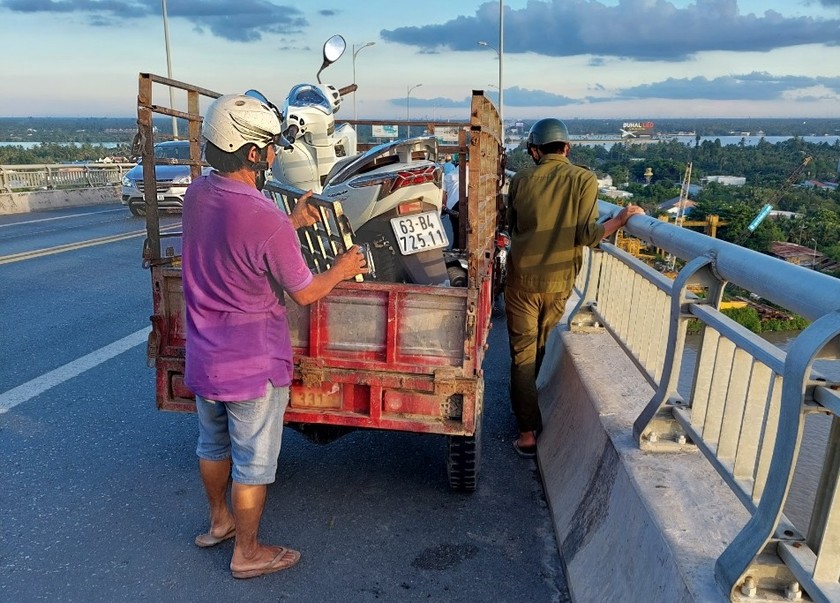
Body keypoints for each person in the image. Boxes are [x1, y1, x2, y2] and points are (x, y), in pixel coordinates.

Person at [182, 94, 368, 579]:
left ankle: (218, 522)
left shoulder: (197, 195)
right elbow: (305, 293)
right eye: (267, 147)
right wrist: (343, 268)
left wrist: (289, 223)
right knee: (252, 464)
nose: (271, 155)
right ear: (250, 153)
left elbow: (235, 244)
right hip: (251, 364)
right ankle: (247, 552)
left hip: (205, 356)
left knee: (211, 445)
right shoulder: (263, 215)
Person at [505, 117, 644, 458]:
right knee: (540, 345)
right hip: (559, 280)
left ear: (535, 150)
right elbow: (587, 235)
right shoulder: (584, 178)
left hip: (521, 278)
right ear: (567, 148)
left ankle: (526, 431)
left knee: (522, 353)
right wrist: (621, 218)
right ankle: (528, 406)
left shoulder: (521, 179)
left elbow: (512, 225)